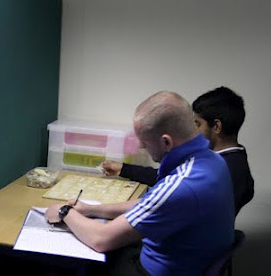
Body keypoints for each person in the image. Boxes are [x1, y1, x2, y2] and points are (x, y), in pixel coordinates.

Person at [45, 91, 235, 276]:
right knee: (98, 273)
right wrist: (91, 209)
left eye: (144, 144)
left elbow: (101, 239)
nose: (142, 149)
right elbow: (151, 203)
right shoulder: (210, 162)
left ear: (166, 142)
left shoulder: (183, 184)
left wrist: (66, 213)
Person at [101, 86, 254, 216]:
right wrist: (124, 169)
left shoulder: (224, 169)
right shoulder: (225, 160)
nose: (193, 130)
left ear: (216, 127)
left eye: (197, 124)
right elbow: (171, 178)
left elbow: (176, 189)